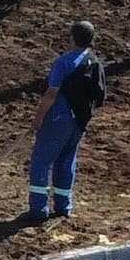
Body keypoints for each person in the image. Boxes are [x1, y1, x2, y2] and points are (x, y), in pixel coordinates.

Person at [26, 21, 105, 223]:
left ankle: (38, 208)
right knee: (66, 161)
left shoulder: (63, 62)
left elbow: (52, 93)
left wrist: (38, 119)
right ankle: (63, 205)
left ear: (72, 37)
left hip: (58, 118)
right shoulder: (94, 63)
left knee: (41, 162)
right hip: (79, 121)